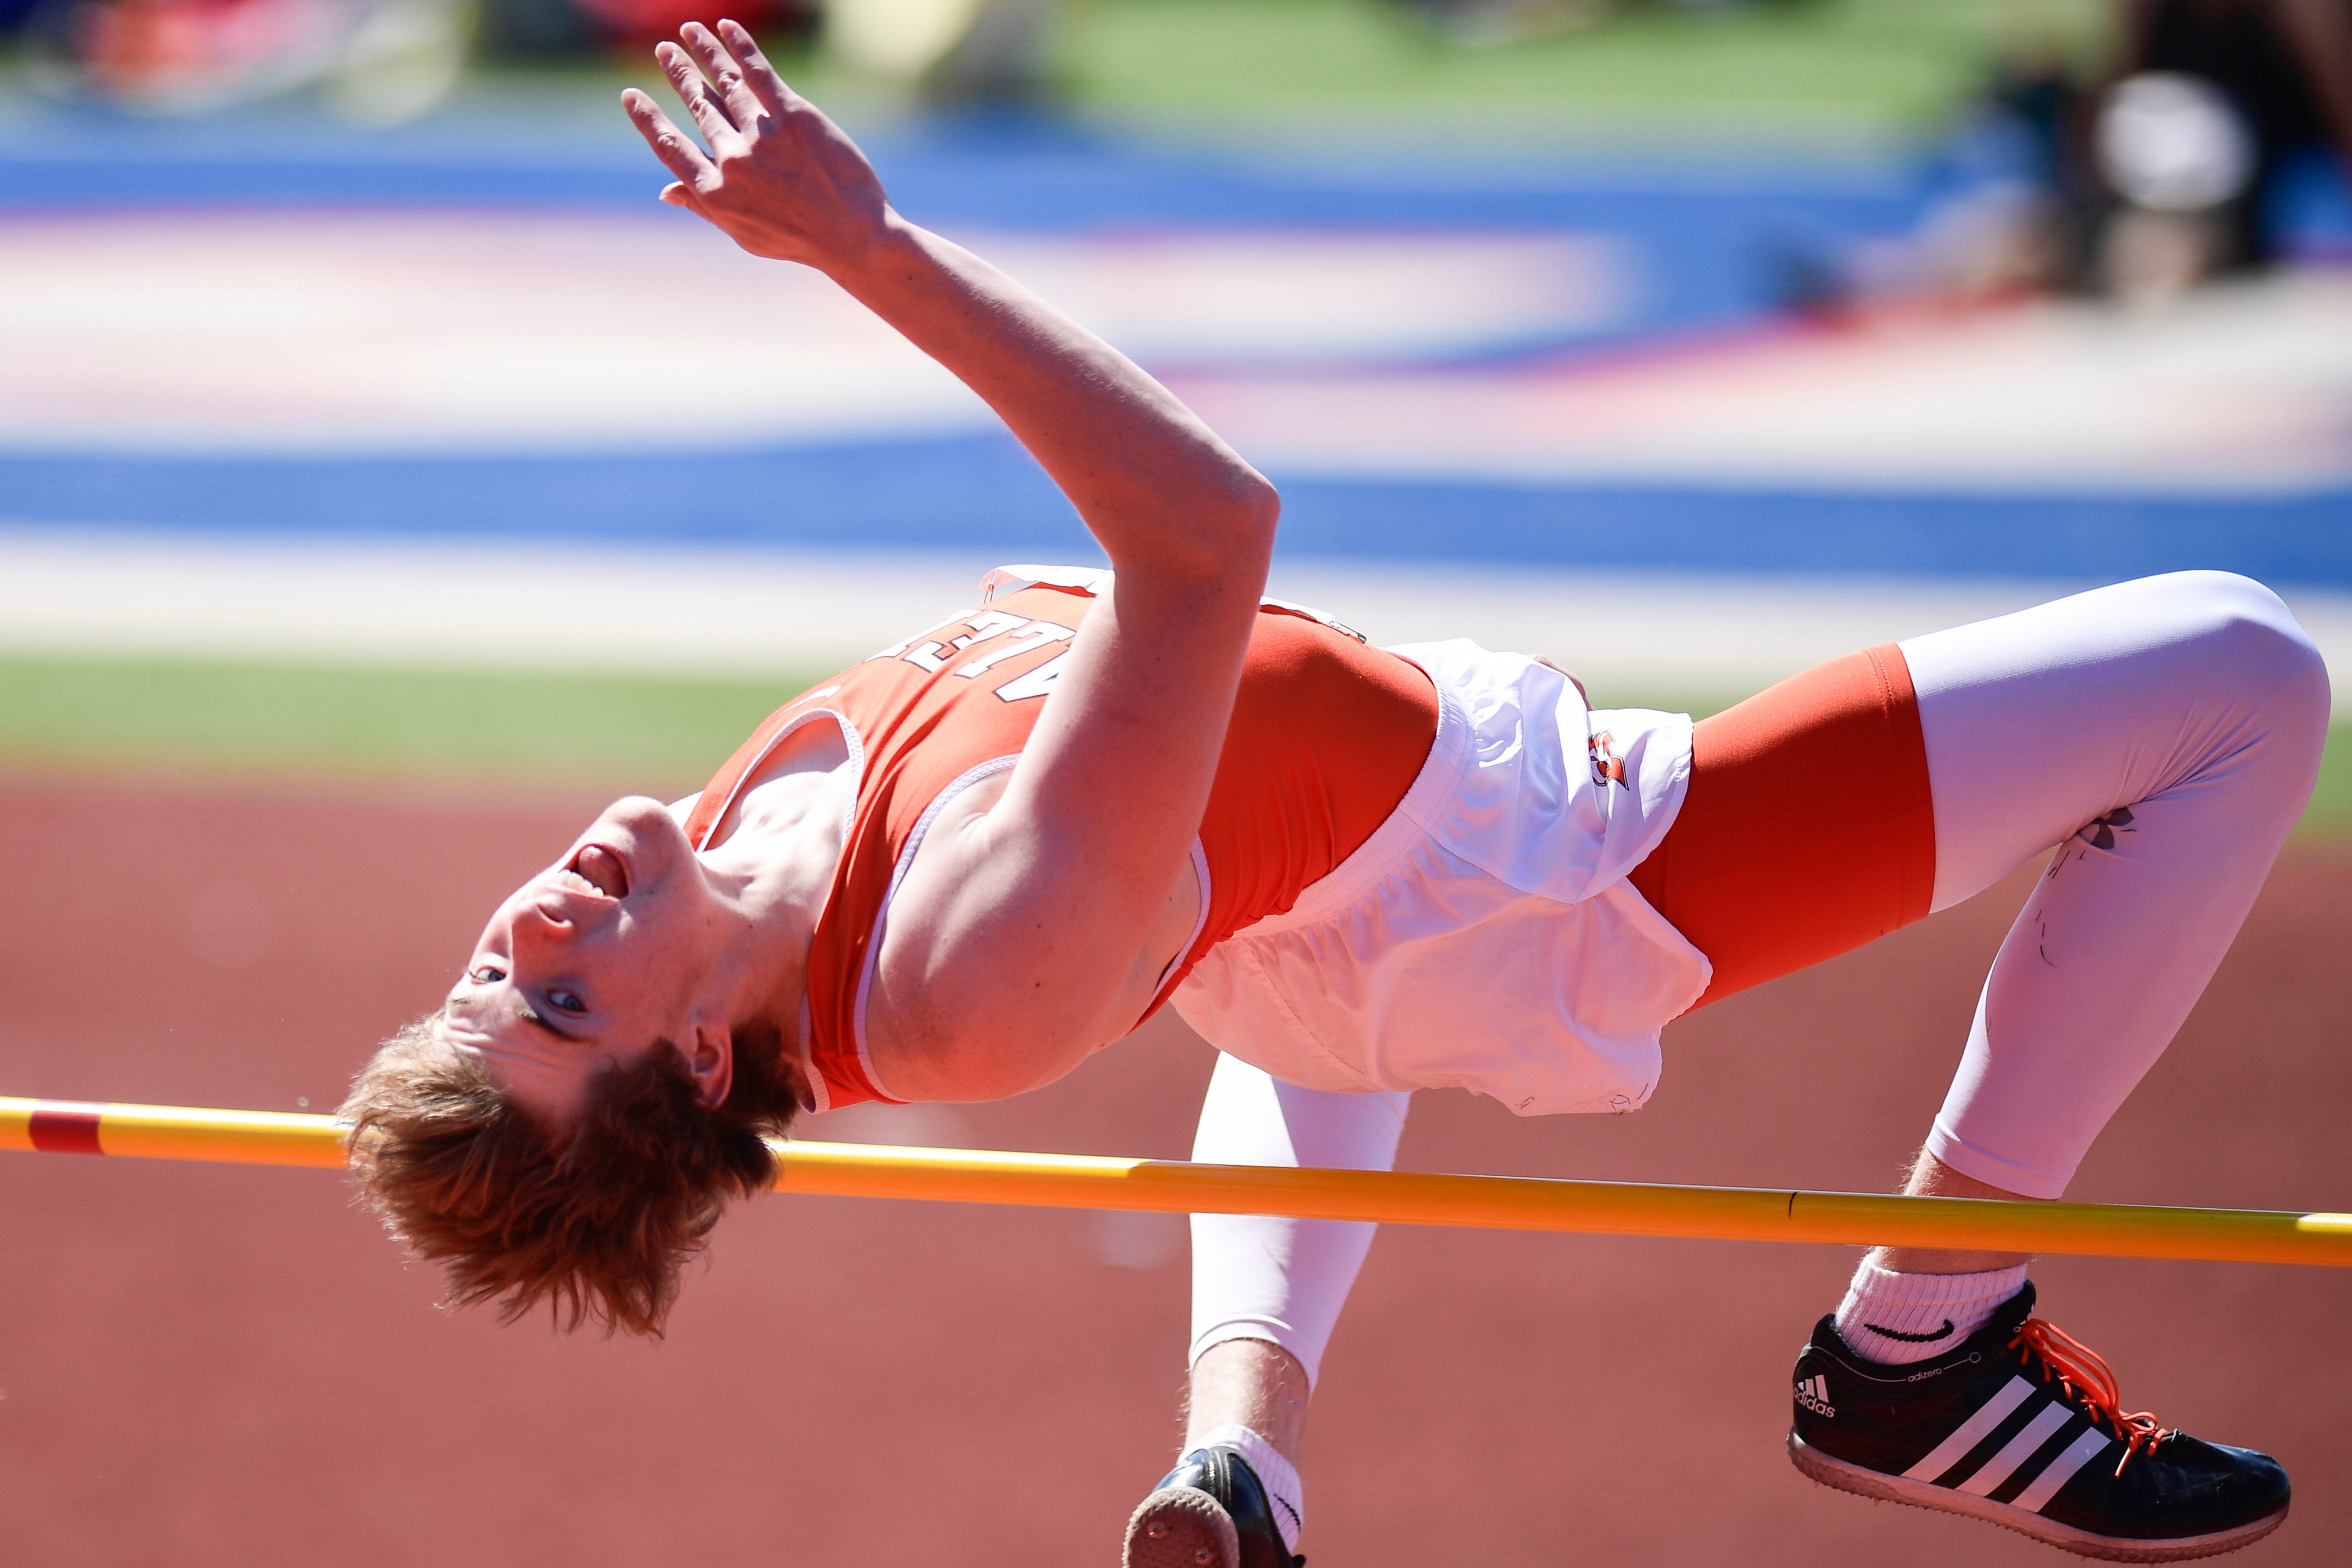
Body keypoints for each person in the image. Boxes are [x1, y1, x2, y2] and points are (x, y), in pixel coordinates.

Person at [337, 22, 2331, 1566]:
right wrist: (866, 249)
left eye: (488, 976)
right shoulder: (964, 969)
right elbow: (1203, 537)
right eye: (566, 1005)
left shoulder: (734, 852)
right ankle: (1927, 1344)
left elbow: (1298, 920)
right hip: (1560, 869)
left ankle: (1248, 1451)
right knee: (2241, 677)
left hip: (1336, 904)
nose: (530, 934)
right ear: (696, 1063)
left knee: (1308, 950)